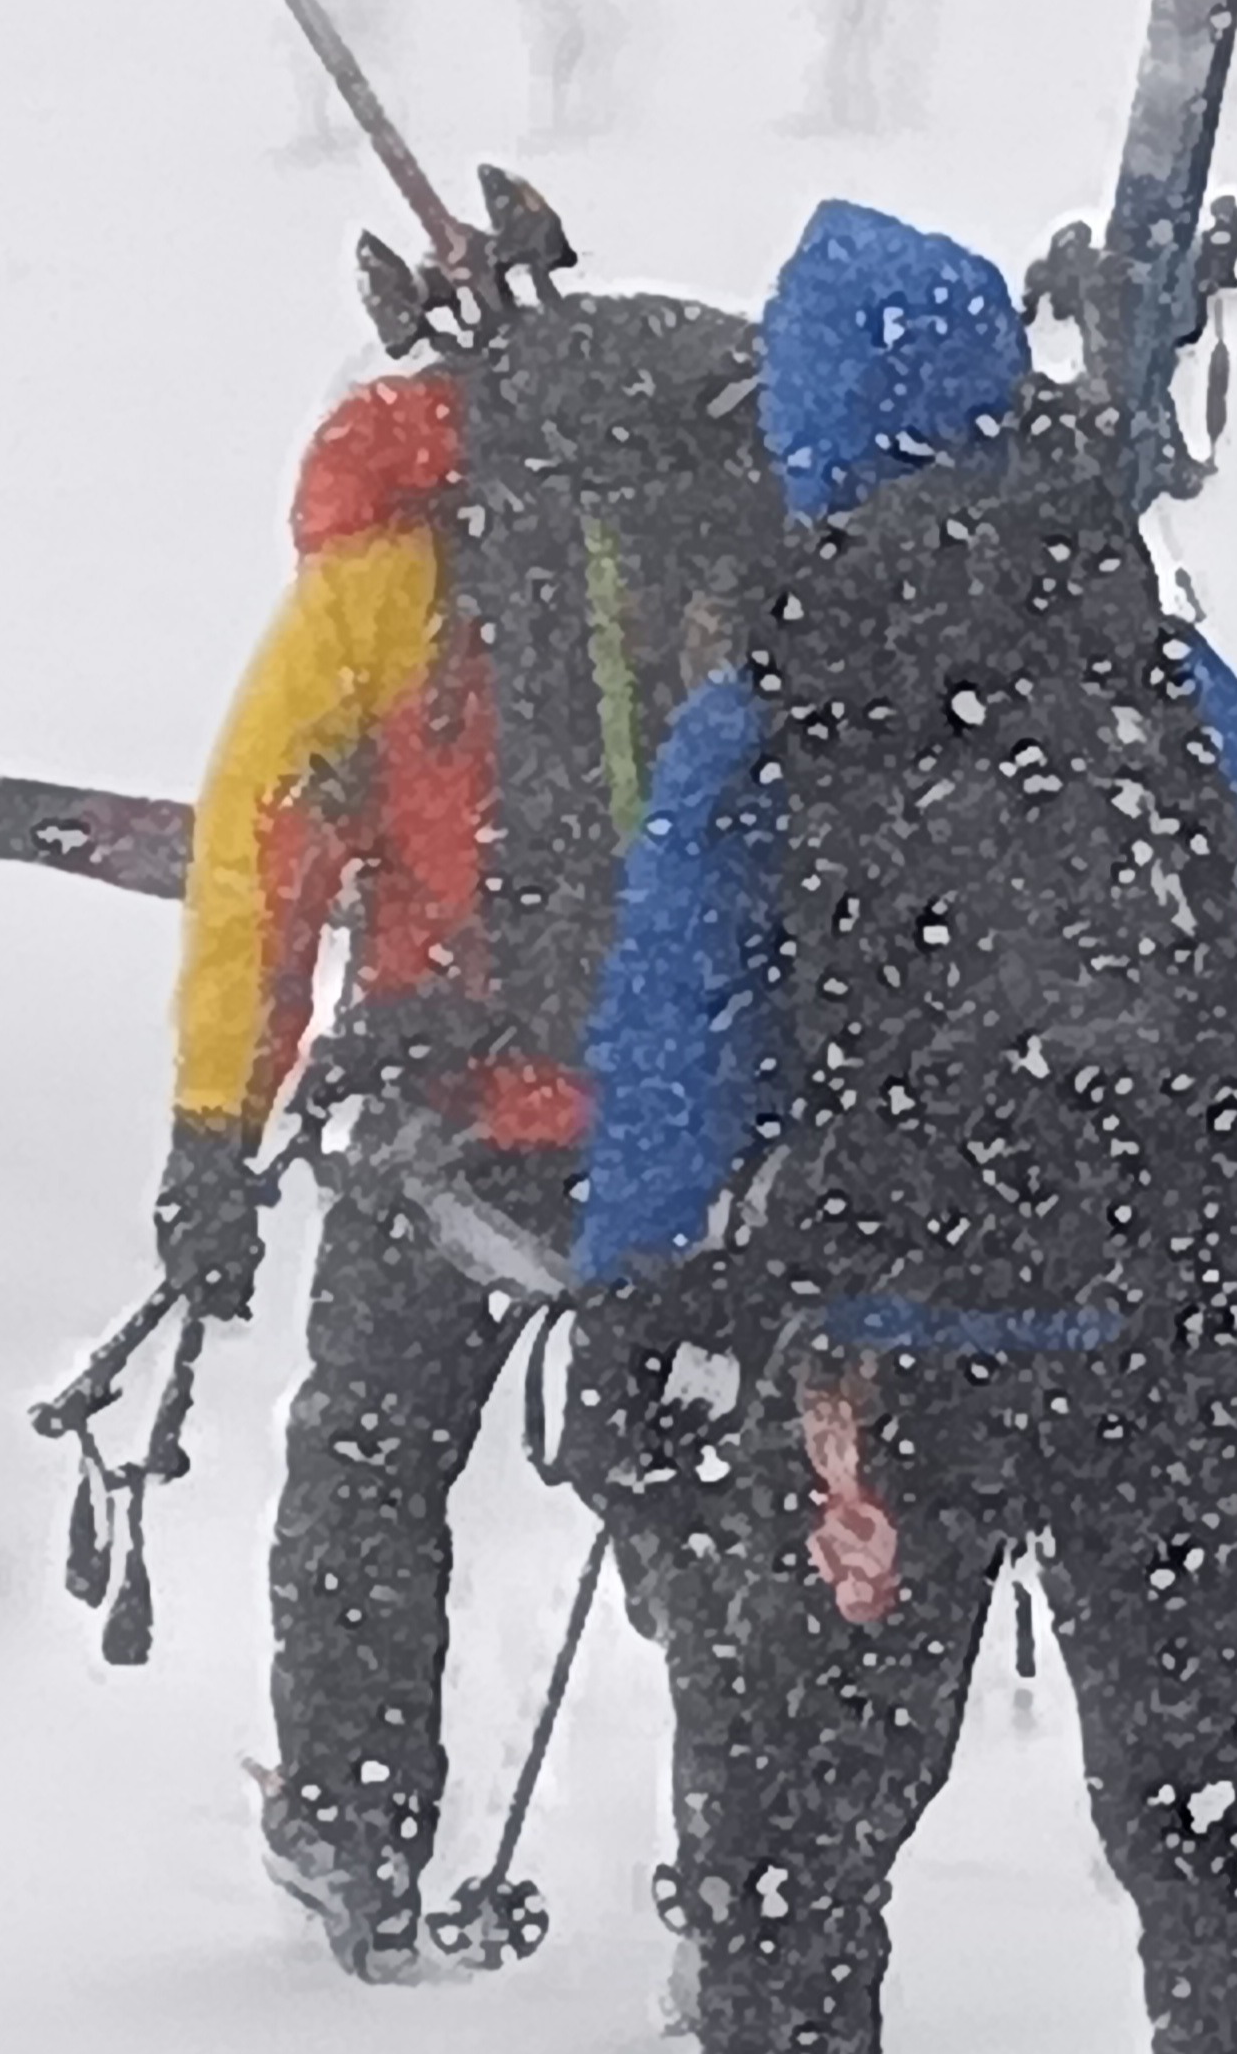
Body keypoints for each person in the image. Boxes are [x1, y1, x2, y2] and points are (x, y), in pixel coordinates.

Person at [571, 199, 1237, 2054]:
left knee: (805, 1847)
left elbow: (679, 1027)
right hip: (1163, 1328)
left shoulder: (782, 691)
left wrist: (639, 1302)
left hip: (889, 1357)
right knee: (1210, 1806)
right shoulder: (1141, 646)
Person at [152, 274, 767, 1979]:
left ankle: (355, 1822)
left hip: (454, 1119)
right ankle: (754, 1867)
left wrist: (217, 1128)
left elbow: (261, 847)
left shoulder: (396, 569)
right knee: (715, 1490)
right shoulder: (735, 547)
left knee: (369, 1454)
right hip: (702, 1128)